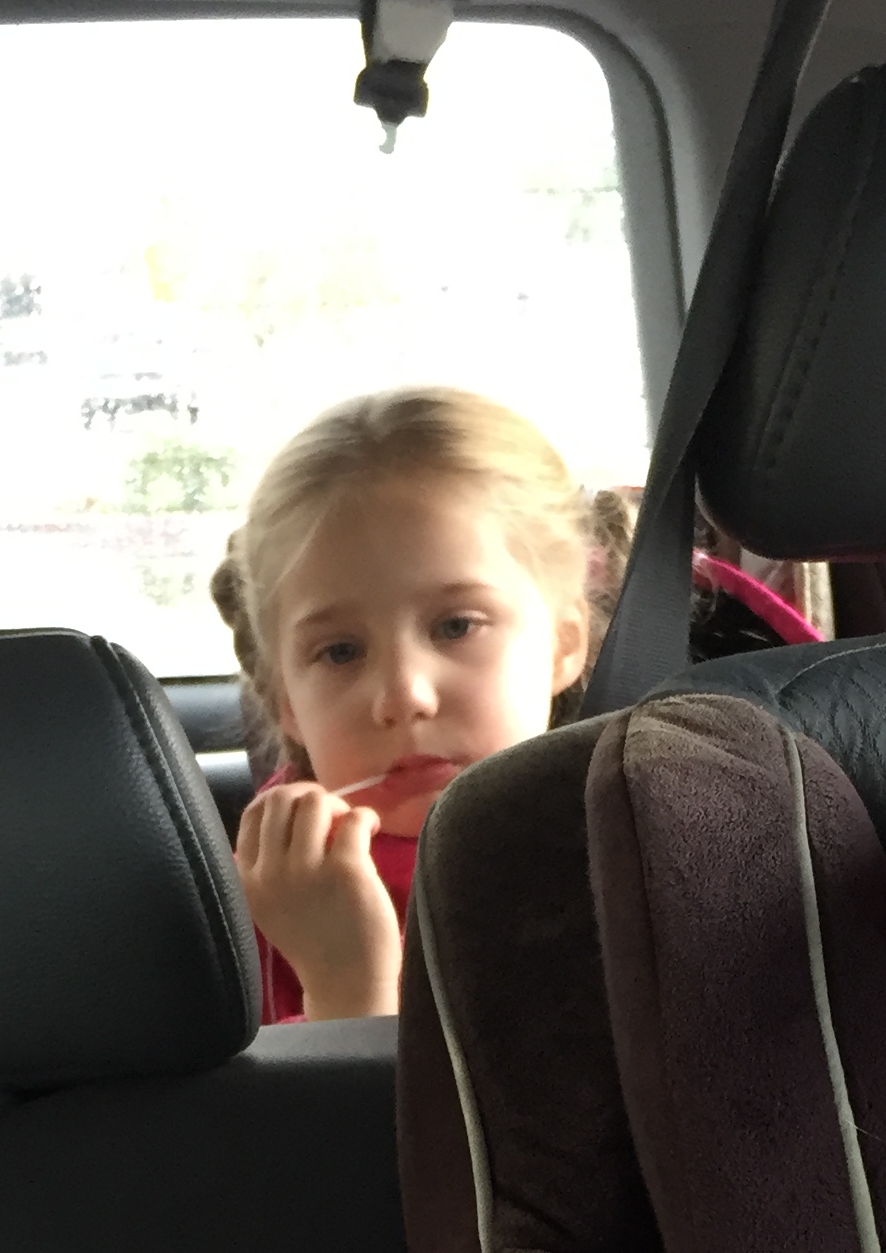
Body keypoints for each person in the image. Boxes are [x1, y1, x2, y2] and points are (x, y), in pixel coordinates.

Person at [209, 388, 631, 1021]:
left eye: (457, 626)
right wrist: (345, 986)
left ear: (563, 643)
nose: (404, 696)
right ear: (285, 700)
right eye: (341, 652)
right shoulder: (262, 909)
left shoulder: (641, 844)